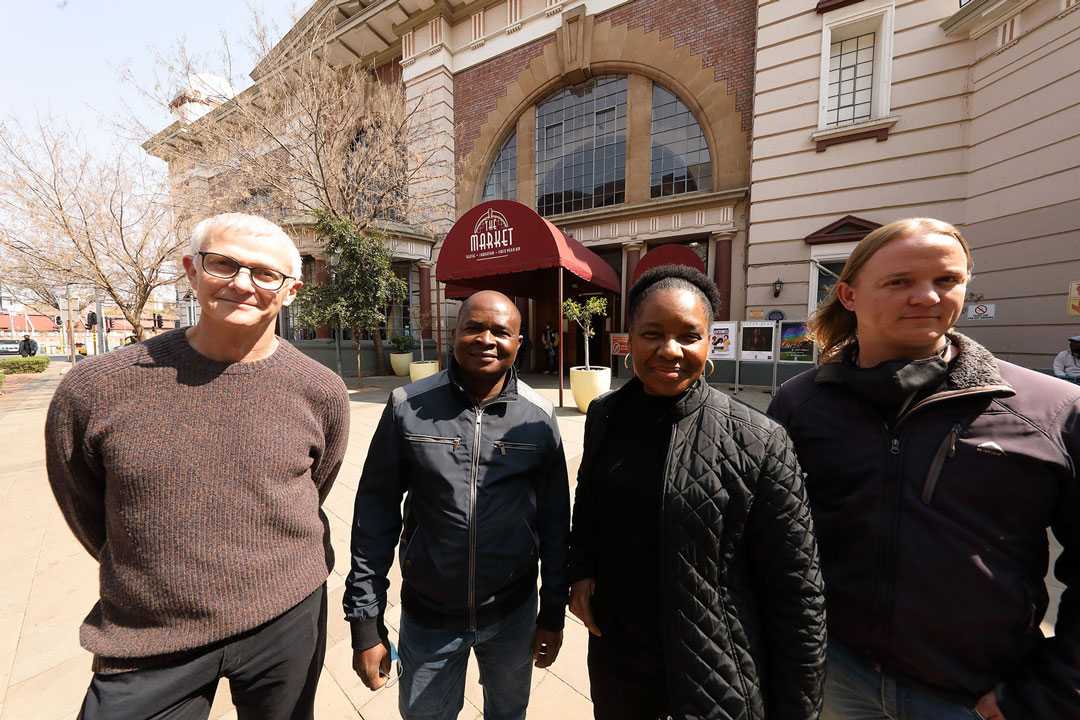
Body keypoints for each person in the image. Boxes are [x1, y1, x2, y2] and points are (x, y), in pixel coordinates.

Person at [768, 218, 1080, 720]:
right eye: (899, 281)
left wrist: (1053, 690)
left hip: (978, 698)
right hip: (834, 678)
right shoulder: (800, 404)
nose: (927, 297)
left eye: (946, 280)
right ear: (848, 295)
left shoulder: (1051, 410)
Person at [46, 213, 350, 720]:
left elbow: (317, 486)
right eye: (223, 264)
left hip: (286, 614)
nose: (243, 284)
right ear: (191, 269)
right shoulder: (96, 387)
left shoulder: (320, 390)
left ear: (290, 291)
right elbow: (83, 503)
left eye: (265, 273)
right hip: (150, 633)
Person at [568, 265, 826, 720]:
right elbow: (589, 502)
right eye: (652, 334)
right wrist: (583, 569)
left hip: (716, 670)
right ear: (630, 339)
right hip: (621, 663)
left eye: (689, 336)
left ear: (710, 342)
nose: (670, 350)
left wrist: (799, 708)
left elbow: (797, 592)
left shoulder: (760, 439)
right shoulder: (605, 416)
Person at [346, 290, 570, 720]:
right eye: (474, 327)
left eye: (500, 331)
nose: (486, 339)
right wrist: (365, 622)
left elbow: (556, 522)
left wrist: (553, 613)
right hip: (428, 618)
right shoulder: (407, 407)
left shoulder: (539, 418)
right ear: (454, 334)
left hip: (512, 615)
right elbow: (374, 515)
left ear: (518, 342)